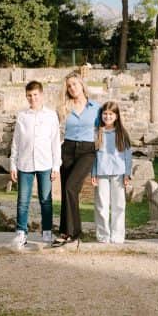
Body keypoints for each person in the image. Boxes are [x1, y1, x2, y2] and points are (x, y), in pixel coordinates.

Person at [8, 80, 61, 249]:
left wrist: (56, 166)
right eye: (29, 96)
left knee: (46, 200)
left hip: (45, 162)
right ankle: (21, 233)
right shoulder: (22, 115)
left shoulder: (51, 115)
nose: (33, 98)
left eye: (35, 95)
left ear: (42, 95)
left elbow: (55, 141)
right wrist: (12, 164)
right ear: (26, 97)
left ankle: (47, 233)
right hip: (25, 163)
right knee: (23, 200)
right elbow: (16, 141)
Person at [53, 70, 100, 247]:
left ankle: (72, 232)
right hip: (67, 149)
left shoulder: (96, 108)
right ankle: (66, 232)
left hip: (87, 151)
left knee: (71, 187)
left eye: (74, 84)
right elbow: (53, 131)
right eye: (69, 86)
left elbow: (103, 132)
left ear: (81, 85)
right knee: (66, 190)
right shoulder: (64, 108)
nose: (72, 88)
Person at [91, 101, 133, 244]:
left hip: (118, 173)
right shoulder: (97, 132)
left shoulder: (122, 133)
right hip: (101, 173)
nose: (107, 116)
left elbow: (128, 154)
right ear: (101, 115)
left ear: (116, 116)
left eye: (111, 114)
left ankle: (118, 235)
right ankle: (103, 235)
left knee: (119, 205)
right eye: (105, 114)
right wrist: (93, 173)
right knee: (101, 205)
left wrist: (127, 173)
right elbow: (94, 155)